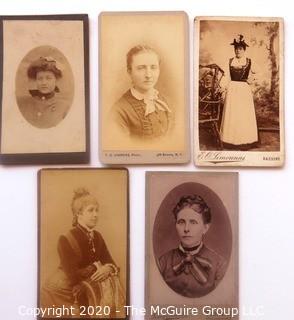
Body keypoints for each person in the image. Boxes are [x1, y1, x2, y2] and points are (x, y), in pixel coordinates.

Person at [41, 188, 125, 316]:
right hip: (61, 290)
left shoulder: (97, 236)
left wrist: (107, 268)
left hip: (85, 285)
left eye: (97, 210)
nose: (95, 214)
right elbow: (74, 276)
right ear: (78, 214)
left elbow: (111, 263)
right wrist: (97, 266)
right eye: (90, 210)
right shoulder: (66, 239)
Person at [158, 195, 227, 298]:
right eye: (181, 222)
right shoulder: (163, 262)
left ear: (205, 228)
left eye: (193, 222)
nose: (186, 229)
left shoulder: (219, 265)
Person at [111, 45, 173, 139]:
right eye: (141, 68)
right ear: (129, 72)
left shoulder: (164, 101)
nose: (148, 75)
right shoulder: (119, 111)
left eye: (153, 67)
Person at [220, 35, 258, 149]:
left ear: (244, 50)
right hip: (232, 90)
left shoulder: (249, 61)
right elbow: (226, 77)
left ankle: (246, 140)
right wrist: (223, 88)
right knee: (232, 114)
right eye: (236, 48)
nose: (238, 50)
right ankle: (230, 141)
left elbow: (257, 73)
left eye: (240, 48)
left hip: (244, 91)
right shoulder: (230, 61)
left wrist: (251, 80)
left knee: (243, 114)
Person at [17, 56, 70, 129]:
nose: (44, 83)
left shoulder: (64, 106)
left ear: (56, 80)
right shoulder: (23, 103)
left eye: (48, 78)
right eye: (40, 78)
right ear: (36, 80)